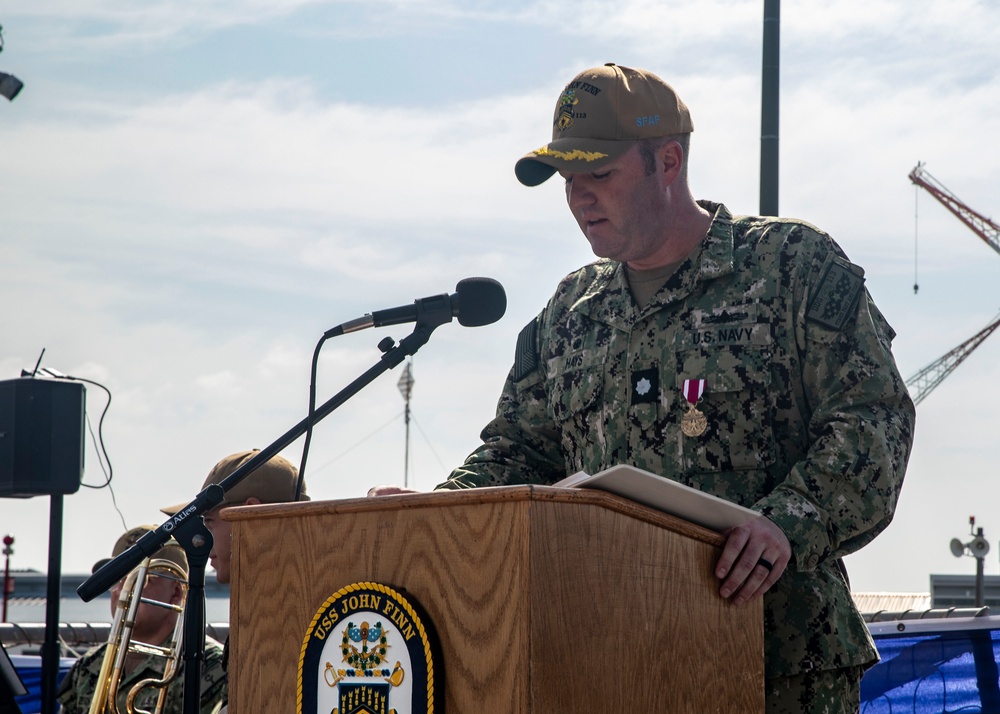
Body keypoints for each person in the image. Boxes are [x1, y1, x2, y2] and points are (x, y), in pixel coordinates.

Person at [372, 63, 916, 712]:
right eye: (568, 182)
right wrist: (435, 513)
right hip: (609, 661)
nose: (579, 198)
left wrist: (785, 525)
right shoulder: (569, 314)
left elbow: (871, 421)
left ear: (669, 161)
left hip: (775, 664)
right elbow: (518, 455)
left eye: (599, 175)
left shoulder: (792, 268)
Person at [161, 449, 308, 713]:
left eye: (209, 520)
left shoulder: (287, 613)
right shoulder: (264, 604)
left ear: (251, 515)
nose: (200, 536)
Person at [57, 526, 227, 714]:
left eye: (140, 580)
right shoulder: (88, 665)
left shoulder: (210, 665)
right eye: (117, 578)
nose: (123, 590)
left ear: (176, 593)